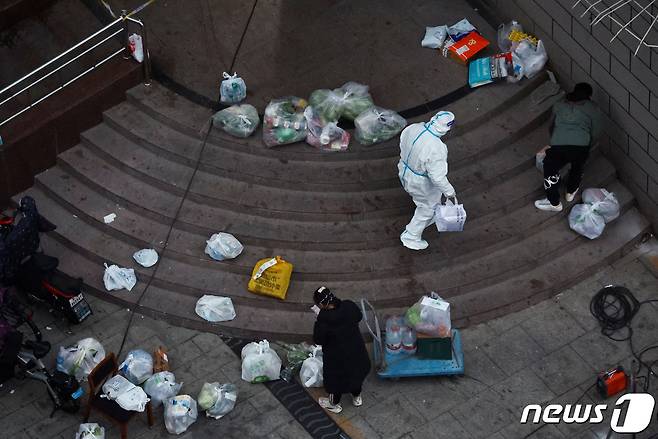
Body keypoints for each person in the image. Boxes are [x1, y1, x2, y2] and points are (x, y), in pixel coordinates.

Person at [535, 82, 603, 212]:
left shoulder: (559, 105)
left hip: (559, 144)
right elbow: (597, 131)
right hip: (581, 146)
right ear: (589, 96)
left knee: (550, 169)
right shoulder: (594, 108)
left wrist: (555, 140)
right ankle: (570, 192)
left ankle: (554, 202)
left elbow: (551, 126)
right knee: (577, 167)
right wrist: (587, 144)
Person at [398, 111, 457, 250]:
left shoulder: (414, 127)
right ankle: (411, 236)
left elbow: (402, 142)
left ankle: (428, 216)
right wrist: (449, 192)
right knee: (427, 208)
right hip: (420, 181)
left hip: (404, 169)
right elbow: (437, 177)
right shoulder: (437, 147)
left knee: (424, 200)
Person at [312, 286, 371, 414]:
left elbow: (318, 340)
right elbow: (359, 316)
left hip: (337, 359)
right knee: (356, 374)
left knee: (335, 383)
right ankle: (357, 398)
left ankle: (334, 404)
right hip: (357, 351)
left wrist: (320, 317)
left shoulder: (323, 322)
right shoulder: (349, 306)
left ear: (321, 304)